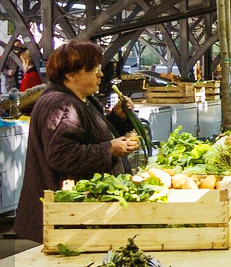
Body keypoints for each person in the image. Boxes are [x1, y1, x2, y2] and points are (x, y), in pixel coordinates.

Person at [15, 40, 140, 242]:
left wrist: (117, 118)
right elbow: (63, 156)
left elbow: (91, 135)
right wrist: (109, 149)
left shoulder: (82, 99)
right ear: (70, 75)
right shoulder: (61, 105)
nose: (100, 74)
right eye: (93, 69)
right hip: (67, 216)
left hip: (79, 215)